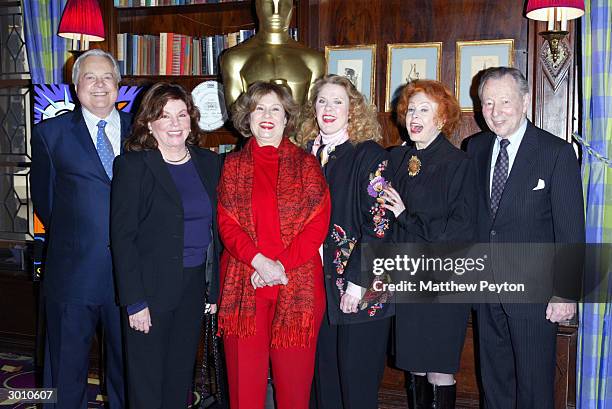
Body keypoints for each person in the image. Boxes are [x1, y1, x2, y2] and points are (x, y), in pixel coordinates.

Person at [466, 67, 584, 409]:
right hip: (486, 292)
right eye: (488, 103)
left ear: (526, 102)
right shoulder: (474, 148)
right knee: (495, 385)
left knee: (534, 390)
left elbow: (571, 231)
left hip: (536, 296)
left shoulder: (555, 153)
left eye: (505, 101)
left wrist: (565, 293)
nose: (495, 110)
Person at [217, 81, 330, 409]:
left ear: (286, 118)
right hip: (244, 287)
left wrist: (278, 266)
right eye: (259, 108)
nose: (266, 116)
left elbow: (316, 226)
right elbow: (228, 224)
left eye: (275, 109)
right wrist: (261, 263)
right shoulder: (232, 165)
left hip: (297, 286)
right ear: (247, 117)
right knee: (244, 393)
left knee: (294, 392)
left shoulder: (308, 166)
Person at [110, 82, 222, 409]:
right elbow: (122, 238)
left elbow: (217, 232)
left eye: (181, 114)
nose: (175, 123)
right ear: (148, 123)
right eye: (164, 116)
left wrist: (212, 291)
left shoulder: (209, 163)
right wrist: (134, 301)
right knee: (146, 383)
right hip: (148, 290)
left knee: (179, 377)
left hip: (193, 287)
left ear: (191, 119)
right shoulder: (133, 167)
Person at [30, 49, 128, 409]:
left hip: (129, 279)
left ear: (118, 84)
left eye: (106, 77)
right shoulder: (49, 134)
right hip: (71, 276)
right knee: (64, 377)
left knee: (128, 373)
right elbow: (47, 203)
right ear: (76, 87)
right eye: (90, 77)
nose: (99, 85)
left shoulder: (142, 130)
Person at [296, 74, 393, 409]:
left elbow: (380, 225)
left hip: (360, 289)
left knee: (357, 388)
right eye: (322, 100)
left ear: (353, 109)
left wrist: (356, 283)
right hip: (315, 289)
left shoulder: (369, 154)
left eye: (338, 101)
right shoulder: (305, 156)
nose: (328, 108)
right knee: (324, 386)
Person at [381, 80, 475, 409]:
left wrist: (406, 216)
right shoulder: (398, 160)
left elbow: (460, 229)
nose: (414, 116)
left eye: (425, 110)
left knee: (438, 369)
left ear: (442, 118)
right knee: (415, 366)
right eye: (411, 110)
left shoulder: (457, 164)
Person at [220, 0, 325, 107]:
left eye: (283, 3)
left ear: (291, 7)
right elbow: (236, 116)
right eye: (268, 2)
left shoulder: (314, 60)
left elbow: (312, 114)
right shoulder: (235, 59)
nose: (276, 12)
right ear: (258, 6)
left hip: (299, 123)